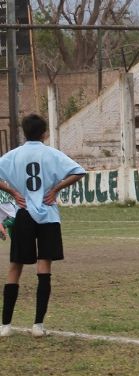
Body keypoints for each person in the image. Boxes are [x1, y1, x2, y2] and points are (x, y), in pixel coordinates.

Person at [0, 114, 86, 338]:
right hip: (47, 215)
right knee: (43, 266)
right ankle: (38, 326)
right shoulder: (51, 154)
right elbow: (79, 172)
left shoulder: (14, 155)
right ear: (45, 132)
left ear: (23, 132)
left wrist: (12, 191)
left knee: (15, 266)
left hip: (24, 214)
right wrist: (56, 189)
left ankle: (5, 326)